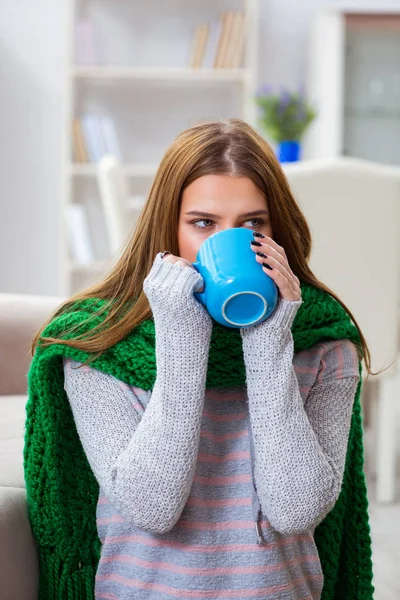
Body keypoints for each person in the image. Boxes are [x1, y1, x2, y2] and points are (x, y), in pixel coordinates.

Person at [25, 118, 375, 600]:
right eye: (203, 223)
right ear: (167, 226)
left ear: (276, 230)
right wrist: (182, 339)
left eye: (253, 223)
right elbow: (152, 507)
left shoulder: (322, 341)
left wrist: (269, 341)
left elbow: (296, 509)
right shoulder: (97, 344)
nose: (229, 242)